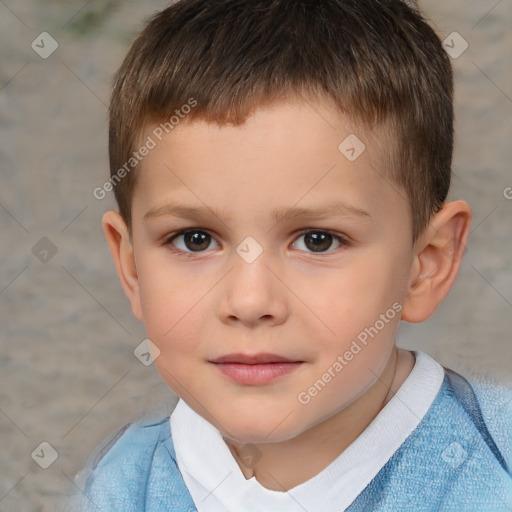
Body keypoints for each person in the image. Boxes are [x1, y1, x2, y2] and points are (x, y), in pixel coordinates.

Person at [76, 0, 512, 510]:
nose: (249, 300)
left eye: (317, 240)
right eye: (195, 239)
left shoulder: (491, 476)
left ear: (425, 265)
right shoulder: (115, 485)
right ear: (131, 269)